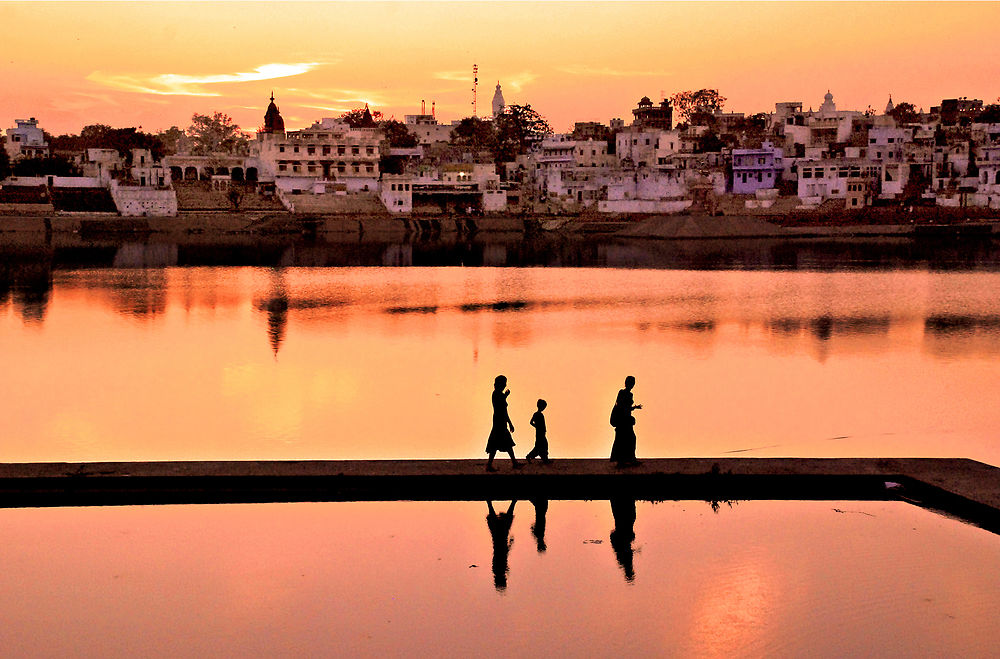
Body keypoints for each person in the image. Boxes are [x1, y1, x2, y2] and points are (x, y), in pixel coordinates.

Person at [486, 375, 522, 471]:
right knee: (503, 442)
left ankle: (513, 462)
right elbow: (502, 409)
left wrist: (505, 396)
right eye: (503, 383)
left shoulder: (498, 394)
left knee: (500, 442)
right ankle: (513, 463)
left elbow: (503, 407)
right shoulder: (497, 394)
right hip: (499, 421)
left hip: (499, 420)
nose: (505, 385)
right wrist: (510, 423)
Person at [610, 376, 642, 467]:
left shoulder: (630, 394)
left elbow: (626, 408)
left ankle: (629, 459)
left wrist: (634, 408)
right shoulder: (622, 393)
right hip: (622, 421)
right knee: (625, 439)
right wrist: (631, 411)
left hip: (626, 420)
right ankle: (623, 460)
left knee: (629, 439)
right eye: (631, 383)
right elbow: (621, 407)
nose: (632, 385)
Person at [486, 500, 516, 590]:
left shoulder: (498, 569)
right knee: (501, 523)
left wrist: (509, 545)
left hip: (500, 542)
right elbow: (503, 554)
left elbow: (503, 554)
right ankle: (489, 503)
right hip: (499, 541)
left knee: (503, 523)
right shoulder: (497, 570)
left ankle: (513, 502)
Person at [525, 399, 551, 464]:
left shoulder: (536, 414)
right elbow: (539, 424)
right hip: (540, 433)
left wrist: (536, 426)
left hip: (539, 432)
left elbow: (531, 422)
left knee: (541, 446)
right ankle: (543, 459)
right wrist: (538, 427)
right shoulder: (540, 415)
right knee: (542, 445)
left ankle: (545, 459)